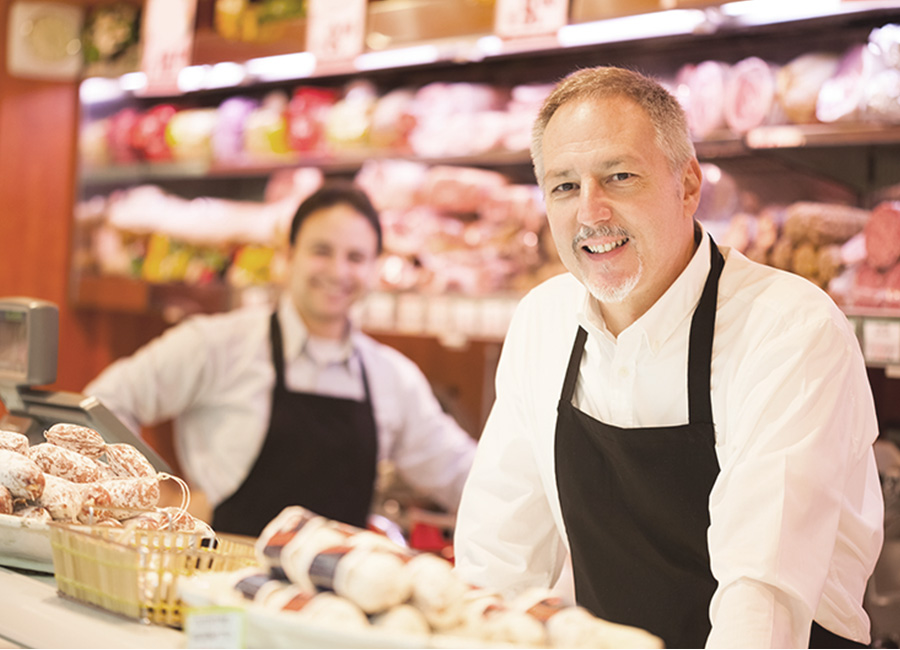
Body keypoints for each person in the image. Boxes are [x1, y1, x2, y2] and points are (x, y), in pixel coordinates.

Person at [452, 66, 884, 649]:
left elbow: (761, 599)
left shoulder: (787, 328)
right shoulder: (543, 322)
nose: (590, 212)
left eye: (619, 176)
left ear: (687, 186)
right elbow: (496, 561)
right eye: (564, 186)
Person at [85, 181, 477, 538]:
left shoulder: (392, 377)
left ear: (374, 268)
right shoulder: (217, 344)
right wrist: (166, 498)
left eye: (356, 257)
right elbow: (98, 407)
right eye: (321, 251)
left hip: (332, 590)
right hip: (213, 580)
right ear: (289, 256)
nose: (338, 271)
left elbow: (461, 472)